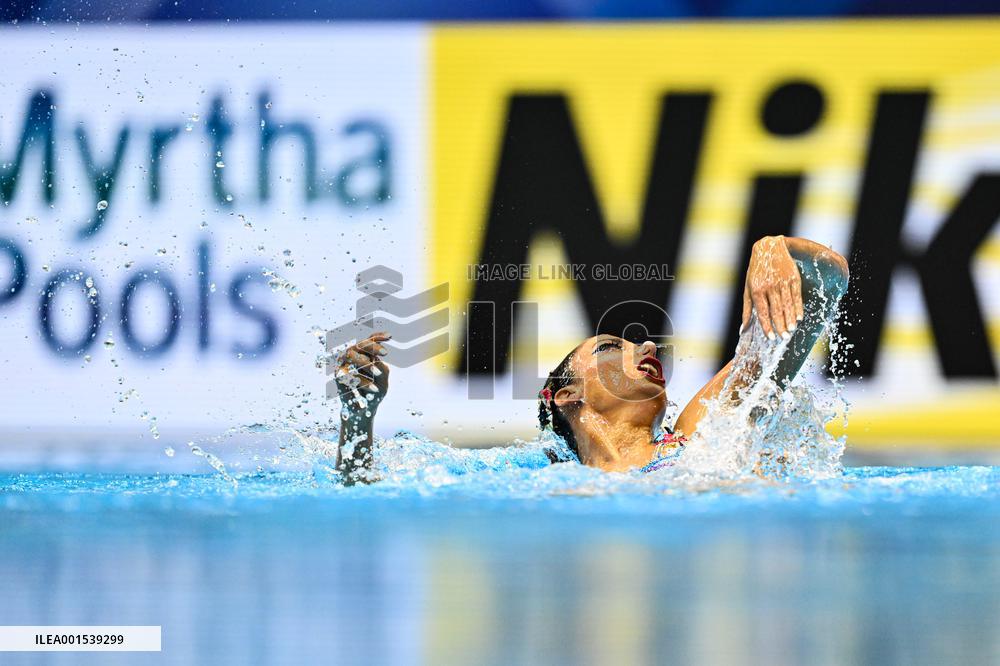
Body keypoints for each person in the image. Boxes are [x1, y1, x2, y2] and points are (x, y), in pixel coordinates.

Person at [333, 235, 849, 481]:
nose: (647, 347)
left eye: (637, 343)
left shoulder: (702, 440)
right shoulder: (530, 483)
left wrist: (773, 248)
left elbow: (830, 282)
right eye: (611, 347)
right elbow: (358, 490)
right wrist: (358, 419)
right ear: (566, 395)